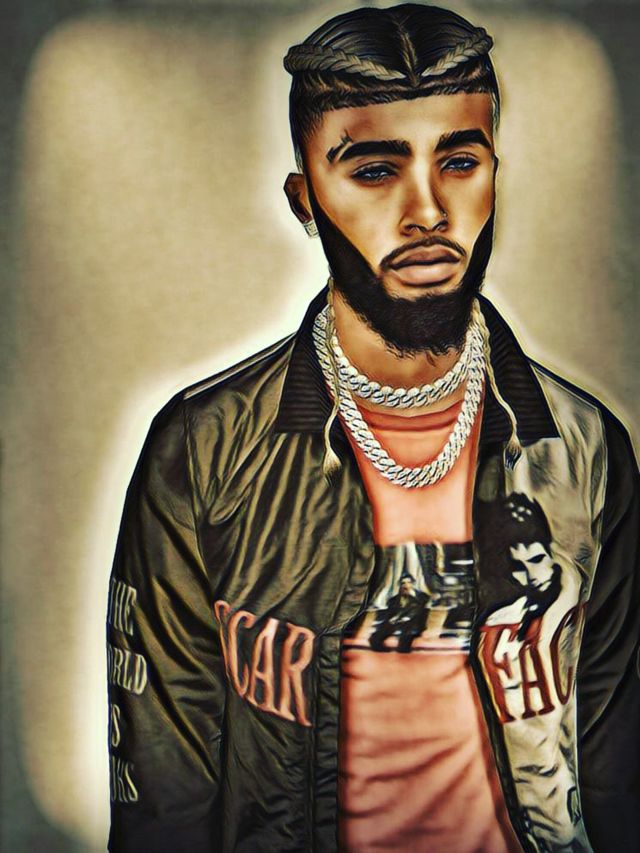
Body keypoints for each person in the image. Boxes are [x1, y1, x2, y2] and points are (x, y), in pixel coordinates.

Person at [106, 4, 640, 852]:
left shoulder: (584, 448)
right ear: (306, 200)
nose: (428, 210)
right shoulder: (203, 451)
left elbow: (618, 773)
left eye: (458, 161)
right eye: (375, 170)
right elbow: (163, 800)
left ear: (494, 174)